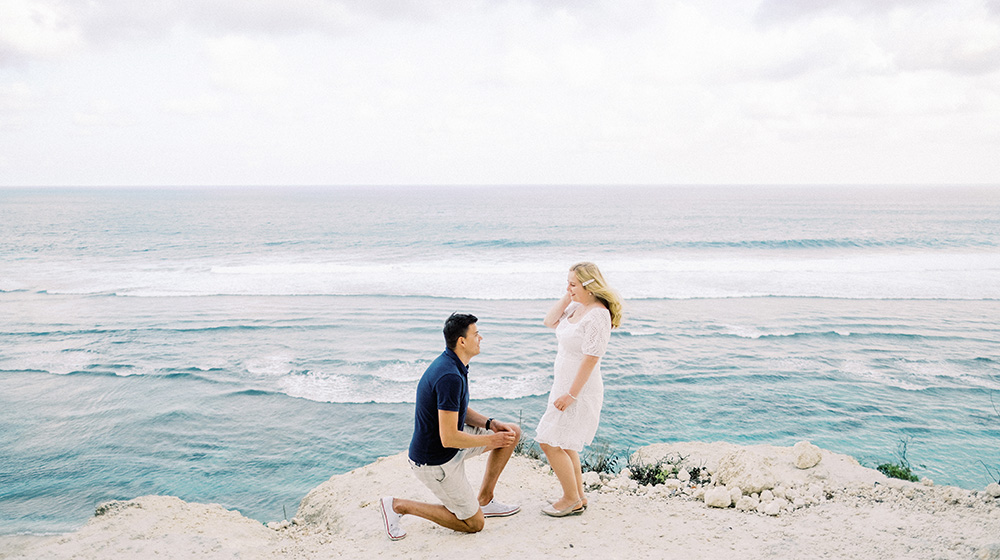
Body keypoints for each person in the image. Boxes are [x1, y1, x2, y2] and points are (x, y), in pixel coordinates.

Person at [379, 313, 522, 540]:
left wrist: (491, 424)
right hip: (436, 461)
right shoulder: (448, 375)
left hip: (450, 447)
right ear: (462, 341)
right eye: (476, 334)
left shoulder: (455, 365)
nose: (481, 338)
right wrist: (489, 440)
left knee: (511, 433)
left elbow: (458, 412)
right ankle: (398, 505)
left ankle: (484, 501)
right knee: (474, 524)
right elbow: (449, 438)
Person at [535, 262, 622, 517]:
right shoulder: (576, 306)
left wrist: (571, 395)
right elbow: (549, 321)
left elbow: (591, 358)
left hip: (578, 390)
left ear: (589, 285)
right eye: (567, 283)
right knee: (565, 444)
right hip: (562, 385)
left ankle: (570, 498)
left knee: (548, 441)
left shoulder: (598, 315)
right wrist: (571, 294)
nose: (568, 288)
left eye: (573, 284)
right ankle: (578, 497)